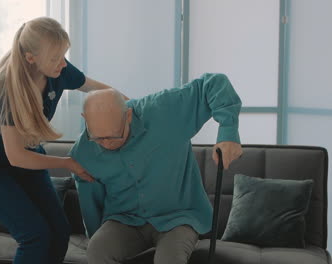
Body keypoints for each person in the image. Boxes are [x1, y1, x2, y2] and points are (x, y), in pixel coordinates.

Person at [0, 17, 120, 264]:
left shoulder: (57, 68)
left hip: (25, 152)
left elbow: (96, 88)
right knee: (35, 236)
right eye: (55, 58)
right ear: (31, 58)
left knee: (59, 232)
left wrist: (130, 107)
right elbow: (16, 156)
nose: (63, 63)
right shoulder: (8, 88)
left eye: (64, 55)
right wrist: (67, 163)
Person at [69, 73, 243, 264]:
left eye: (114, 135)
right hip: (125, 220)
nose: (107, 143)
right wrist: (97, 236)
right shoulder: (82, 152)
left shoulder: (164, 111)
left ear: (127, 115)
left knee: (168, 260)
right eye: (98, 138)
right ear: (85, 119)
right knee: (97, 250)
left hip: (178, 217)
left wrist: (228, 132)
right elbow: (91, 202)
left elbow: (213, 83)